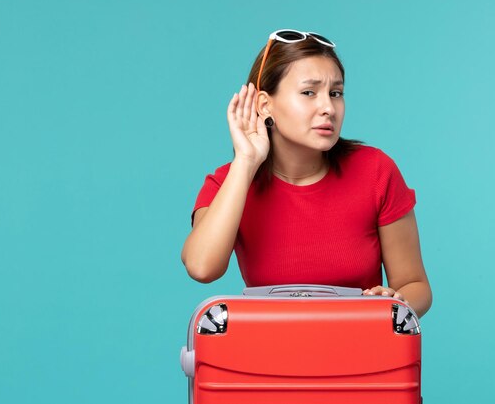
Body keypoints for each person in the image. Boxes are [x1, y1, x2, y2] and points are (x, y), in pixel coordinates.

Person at [181, 29, 432, 318]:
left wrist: (393, 302)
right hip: (267, 356)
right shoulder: (230, 182)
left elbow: (416, 285)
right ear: (265, 105)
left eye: (335, 93)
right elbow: (201, 267)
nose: (328, 108)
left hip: (363, 353)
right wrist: (246, 162)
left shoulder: (376, 171)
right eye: (309, 92)